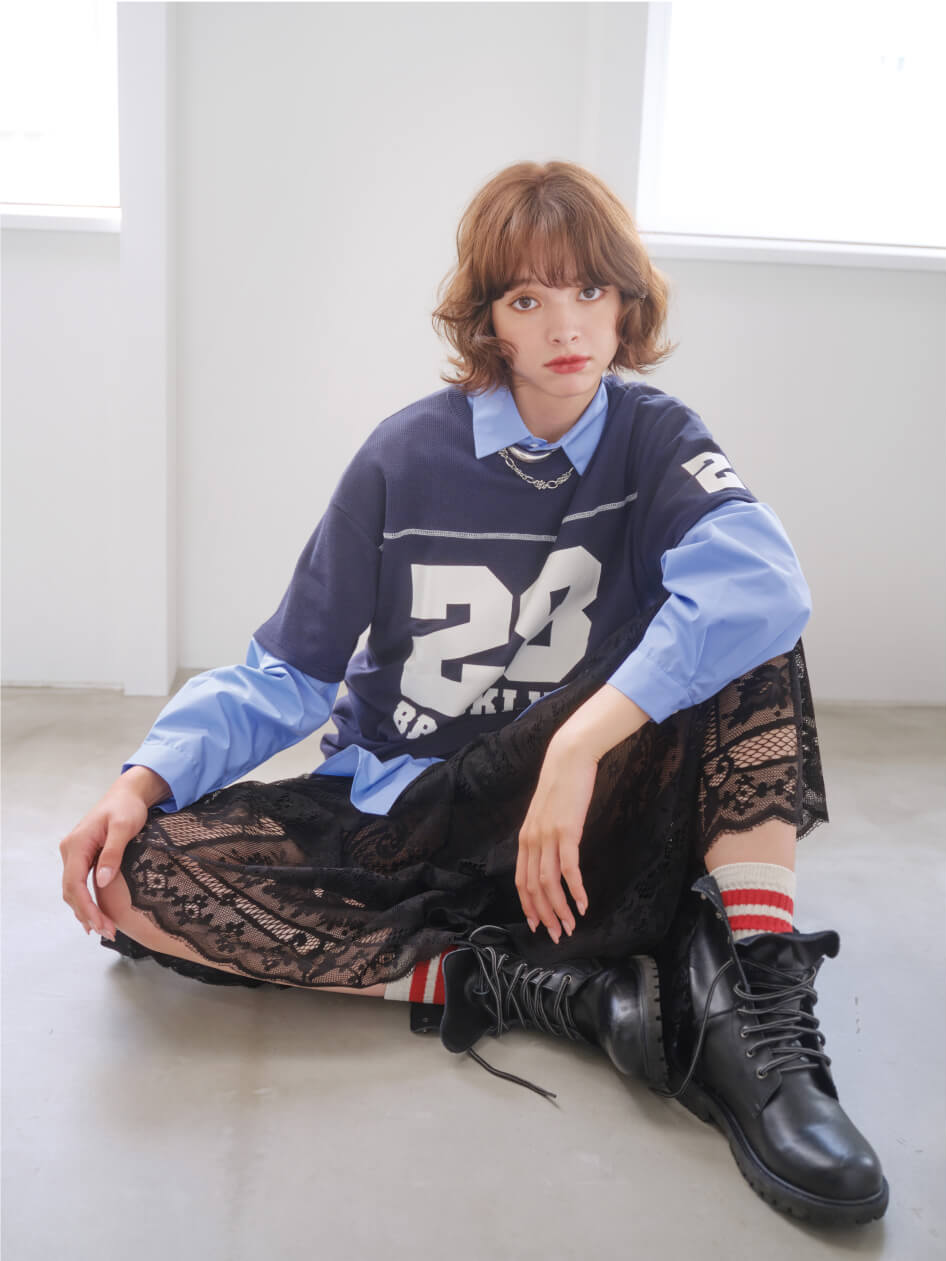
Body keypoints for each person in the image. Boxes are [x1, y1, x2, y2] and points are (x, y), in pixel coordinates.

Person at [59, 160, 886, 1226]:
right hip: (415, 810)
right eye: (527, 298)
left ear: (627, 301)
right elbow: (289, 671)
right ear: (487, 318)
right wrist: (141, 780)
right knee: (134, 880)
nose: (566, 326)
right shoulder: (404, 455)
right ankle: (539, 989)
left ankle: (756, 1006)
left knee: (750, 636)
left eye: (590, 289)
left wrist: (577, 748)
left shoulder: (656, 437)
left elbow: (764, 586)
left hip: (578, 812)